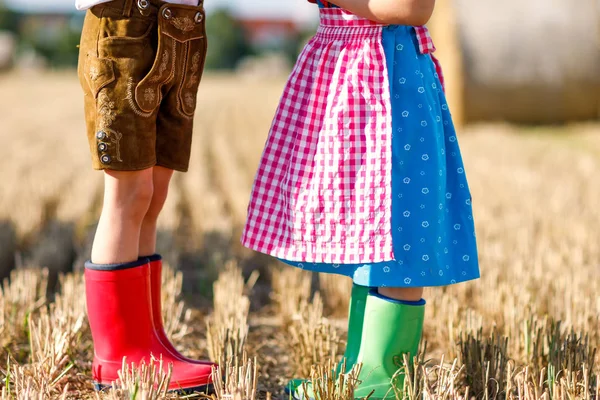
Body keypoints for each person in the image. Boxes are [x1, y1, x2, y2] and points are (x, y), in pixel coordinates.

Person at [242, 0, 480, 398]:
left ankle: (382, 380)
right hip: (355, 73)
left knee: (401, 230)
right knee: (370, 234)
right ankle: (360, 370)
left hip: (391, 80)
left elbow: (413, 6)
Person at [76, 0, 214, 392]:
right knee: (128, 195)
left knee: (153, 197)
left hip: (182, 26)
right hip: (125, 23)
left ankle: (148, 343)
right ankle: (118, 357)